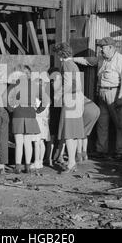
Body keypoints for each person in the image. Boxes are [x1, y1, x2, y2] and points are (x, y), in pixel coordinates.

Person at [70, 37, 122, 156]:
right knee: (102, 124)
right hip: (102, 94)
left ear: (111, 47)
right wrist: (71, 59)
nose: (101, 50)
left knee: (120, 124)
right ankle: (101, 150)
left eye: (103, 48)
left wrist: (121, 98)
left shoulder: (121, 60)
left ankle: (121, 151)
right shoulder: (102, 59)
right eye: (100, 48)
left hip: (115, 94)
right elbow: (88, 61)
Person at [54, 43, 85, 174]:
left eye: (58, 54)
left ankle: (71, 163)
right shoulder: (74, 65)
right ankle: (71, 161)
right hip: (77, 98)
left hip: (70, 98)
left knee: (68, 133)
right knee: (72, 133)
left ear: (61, 54)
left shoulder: (66, 65)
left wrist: (58, 94)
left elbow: (67, 84)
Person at [8, 65, 40, 174]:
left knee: (19, 143)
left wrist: (11, 109)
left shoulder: (14, 85)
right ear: (29, 74)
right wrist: (38, 110)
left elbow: (6, 99)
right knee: (28, 143)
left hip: (18, 114)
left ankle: (17, 167)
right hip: (30, 114)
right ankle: (27, 166)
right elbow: (45, 100)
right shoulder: (34, 85)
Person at [32, 79, 51, 171]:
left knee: (36, 142)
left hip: (38, 120)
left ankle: (36, 161)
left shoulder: (37, 98)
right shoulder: (47, 97)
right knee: (41, 142)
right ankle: (40, 161)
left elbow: (36, 110)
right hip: (45, 121)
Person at [77, 97, 100, 162]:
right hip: (95, 108)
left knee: (78, 133)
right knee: (85, 133)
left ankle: (79, 155)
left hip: (87, 107)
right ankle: (84, 154)